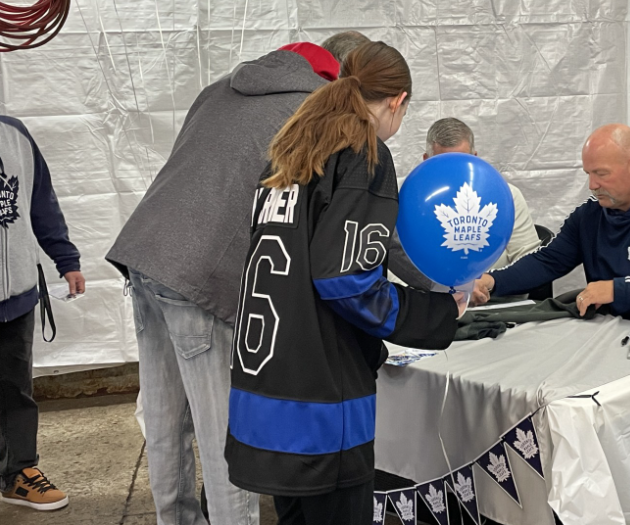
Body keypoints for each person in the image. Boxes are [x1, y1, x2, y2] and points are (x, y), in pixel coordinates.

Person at [106, 33, 369, 525]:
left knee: (165, 425)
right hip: (201, 274)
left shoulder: (222, 87)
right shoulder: (316, 110)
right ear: (343, 77)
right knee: (227, 439)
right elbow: (349, 222)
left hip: (144, 253)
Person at [224, 42, 467, 525]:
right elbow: (346, 279)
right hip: (319, 405)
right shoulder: (363, 153)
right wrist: (438, 313)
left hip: (264, 389)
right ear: (397, 101)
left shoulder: (292, 147)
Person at [473, 124, 630, 331]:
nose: (592, 184)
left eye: (601, 174)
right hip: (613, 334)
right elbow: (548, 260)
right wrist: (493, 281)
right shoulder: (591, 213)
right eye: (588, 174)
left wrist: (618, 289)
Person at [0, 116, 85, 511]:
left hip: (15, 295)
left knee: (16, 390)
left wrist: (66, 259)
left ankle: (19, 473)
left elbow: (40, 202)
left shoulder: (14, 134)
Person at [387, 118, 542, 296]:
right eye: (445, 163)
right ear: (426, 161)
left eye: (462, 161)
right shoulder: (406, 201)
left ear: (475, 158)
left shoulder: (507, 195)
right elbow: (394, 265)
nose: (455, 171)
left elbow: (529, 260)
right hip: (430, 303)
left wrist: (487, 284)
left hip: (496, 302)